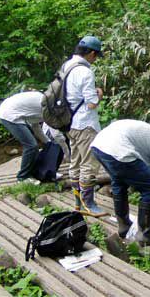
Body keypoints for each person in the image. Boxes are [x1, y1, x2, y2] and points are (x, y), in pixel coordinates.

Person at [91, 120, 150, 246]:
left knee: (119, 182)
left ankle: (123, 225)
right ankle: (147, 233)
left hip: (99, 146)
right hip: (116, 149)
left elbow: (142, 169)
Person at [63, 35, 105, 217]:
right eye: (96, 56)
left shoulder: (66, 66)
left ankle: (78, 203)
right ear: (92, 53)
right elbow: (91, 103)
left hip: (69, 122)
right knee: (89, 164)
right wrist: (99, 94)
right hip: (85, 124)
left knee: (76, 162)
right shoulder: (85, 72)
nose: (95, 60)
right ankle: (89, 204)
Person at [0, 91, 50, 183]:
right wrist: (50, 142)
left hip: (13, 111)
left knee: (33, 146)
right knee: (31, 146)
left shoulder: (45, 103)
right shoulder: (45, 106)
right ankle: (22, 177)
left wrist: (47, 142)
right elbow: (54, 132)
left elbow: (35, 126)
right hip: (9, 114)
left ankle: (33, 173)